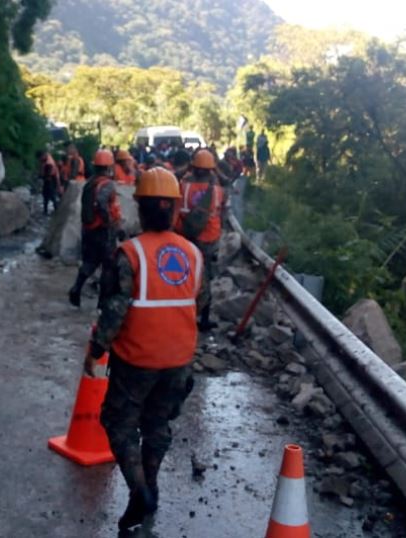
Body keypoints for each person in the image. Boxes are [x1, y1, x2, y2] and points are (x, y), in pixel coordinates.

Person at [85, 166, 206, 531]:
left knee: (117, 422)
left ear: (140, 208)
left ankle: (140, 492)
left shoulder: (129, 253)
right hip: (179, 359)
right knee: (157, 425)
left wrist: (97, 348)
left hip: (137, 359)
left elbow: (114, 309)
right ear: (172, 209)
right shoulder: (193, 255)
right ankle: (150, 488)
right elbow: (201, 303)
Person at [175, 149, 227, 332]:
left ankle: (178, 312)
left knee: (184, 276)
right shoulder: (217, 191)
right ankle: (202, 319)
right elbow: (222, 210)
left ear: (193, 167)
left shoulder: (183, 186)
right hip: (208, 239)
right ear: (211, 169)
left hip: (185, 236)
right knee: (204, 280)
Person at [68, 149, 122, 308]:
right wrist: (111, 224)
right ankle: (102, 303)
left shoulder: (90, 183)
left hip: (89, 229)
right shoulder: (107, 184)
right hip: (103, 231)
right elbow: (101, 204)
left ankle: (76, 288)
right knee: (108, 266)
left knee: (89, 262)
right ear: (109, 166)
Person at [36, 150, 62, 216]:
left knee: (51, 195)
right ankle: (45, 210)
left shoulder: (49, 163)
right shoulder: (45, 159)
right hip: (48, 179)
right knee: (45, 195)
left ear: (42, 156)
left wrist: (41, 176)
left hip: (51, 179)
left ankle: (56, 209)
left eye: (40, 158)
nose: (39, 160)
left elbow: (48, 174)